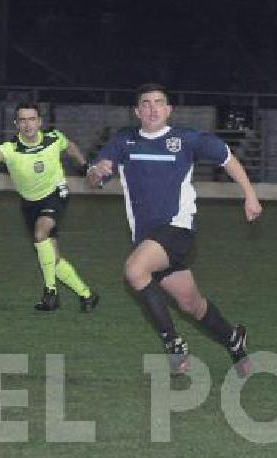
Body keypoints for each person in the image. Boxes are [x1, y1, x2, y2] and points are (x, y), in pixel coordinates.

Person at [87, 83, 262, 378]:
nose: (153, 108)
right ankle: (234, 340)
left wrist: (250, 194)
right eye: (146, 103)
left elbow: (226, 157)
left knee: (134, 270)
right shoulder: (124, 141)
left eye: (159, 103)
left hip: (178, 230)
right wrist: (97, 172)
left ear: (169, 110)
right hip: (148, 240)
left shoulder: (185, 139)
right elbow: (95, 177)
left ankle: (174, 345)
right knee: (191, 304)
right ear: (137, 111)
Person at [0, 103, 99, 312]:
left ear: (39, 122)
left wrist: (86, 167)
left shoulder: (54, 138)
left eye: (31, 119)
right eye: (22, 120)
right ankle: (87, 295)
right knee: (52, 257)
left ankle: (50, 292)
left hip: (56, 194)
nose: (27, 124)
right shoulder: (10, 149)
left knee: (41, 233)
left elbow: (71, 147)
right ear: (16, 124)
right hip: (29, 204)